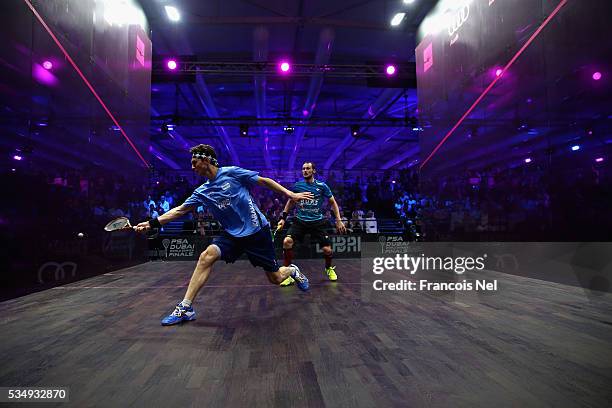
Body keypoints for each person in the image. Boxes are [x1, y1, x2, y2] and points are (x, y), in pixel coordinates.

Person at [135, 144, 313, 326]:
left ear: (205, 160)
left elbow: (264, 181)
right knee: (206, 256)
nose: (192, 167)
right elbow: (179, 211)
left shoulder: (232, 173)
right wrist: (151, 223)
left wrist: (290, 194)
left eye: (194, 162)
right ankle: (186, 307)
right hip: (232, 235)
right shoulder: (202, 191)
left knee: (275, 278)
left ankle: (292, 270)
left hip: (258, 232)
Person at [276, 161, 346, 286]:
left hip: (317, 222)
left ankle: (329, 268)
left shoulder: (322, 186)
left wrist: (338, 220)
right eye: (303, 169)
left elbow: (333, 202)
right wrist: (283, 218)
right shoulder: (297, 186)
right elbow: (290, 202)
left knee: (327, 250)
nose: (305, 171)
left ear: (314, 171)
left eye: (308, 168)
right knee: (287, 242)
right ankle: (287, 274)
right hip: (300, 220)